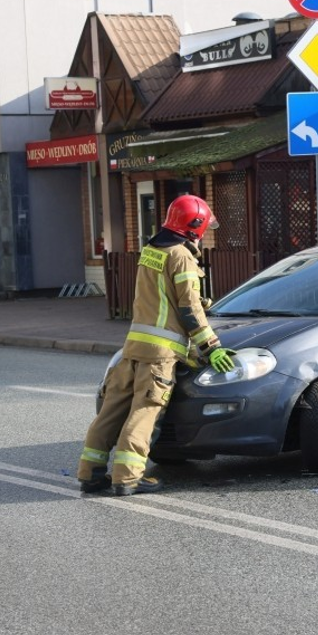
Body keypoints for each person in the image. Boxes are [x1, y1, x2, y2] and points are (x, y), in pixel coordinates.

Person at [77, 195, 236, 495]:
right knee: (145, 412)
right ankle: (127, 478)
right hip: (160, 354)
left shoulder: (151, 250)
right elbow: (189, 308)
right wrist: (211, 346)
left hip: (133, 348)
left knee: (111, 412)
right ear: (195, 227)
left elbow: (160, 296)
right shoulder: (182, 256)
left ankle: (90, 473)